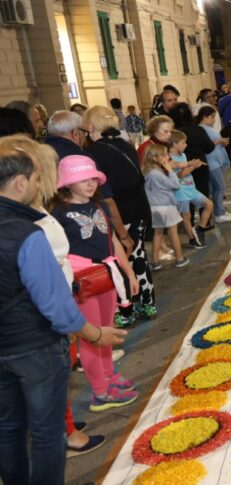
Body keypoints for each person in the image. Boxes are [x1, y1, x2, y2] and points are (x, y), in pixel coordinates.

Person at [0, 147, 127, 485]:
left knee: (10, 427)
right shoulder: (26, 232)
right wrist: (95, 334)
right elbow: (53, 301)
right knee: (47, 430)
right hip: (33, 343)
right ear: (18, 183)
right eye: (37, 177)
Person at [51, 155, 140, 411]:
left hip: (107, 275)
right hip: (83, 282)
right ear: (67, 183)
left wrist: (129, 273)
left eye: (92, 178)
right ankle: (100, 392)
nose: (90, 183)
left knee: (106, 329)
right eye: (82, 179)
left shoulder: (98, 205)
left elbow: (113, 243)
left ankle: (108, 376)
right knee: (92, 336)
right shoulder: (59, 213)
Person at [83, 106, 157, 325]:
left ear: (89, 127)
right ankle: (147, 302)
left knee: (119, 261)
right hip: (140, 208)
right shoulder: (125, 145)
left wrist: (122, 233)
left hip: (119, 212)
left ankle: (126, 310)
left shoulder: (93, 154)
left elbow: (107, 197)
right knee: (139, 255)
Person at [142, 144, 189, 268]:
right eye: (163, 155)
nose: (167, 157)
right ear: (155, 158)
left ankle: (155, 262)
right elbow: (175, 185)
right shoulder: (157, 174)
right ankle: (179, 259)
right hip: (166, 206)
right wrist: (171, 171)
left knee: (158, 233)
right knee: (173, 233)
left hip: (154, 207)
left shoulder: (147, 172)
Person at [169, 130, 212, 249]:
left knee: (208, 204)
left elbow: (186, 169)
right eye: (183, 143)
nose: (186, 145)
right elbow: (180, 175)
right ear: (174, 144)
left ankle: (200, 229)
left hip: (190, 187)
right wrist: (193, 166)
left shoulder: (183, 155)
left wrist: (192, 164)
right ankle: (192, 239)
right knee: (186, 216)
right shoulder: (170, 158)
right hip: (180, 191)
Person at [195, 106, 231, 222]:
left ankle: (219, 210)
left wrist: (222, 142)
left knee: (217, 187)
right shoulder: (202, 129)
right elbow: (207, 145)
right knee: (219, 187)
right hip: (212, 163)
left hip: (217, 161)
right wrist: (220, 141)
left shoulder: (208, 128)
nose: (214, 121)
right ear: (205, 117)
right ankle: (219, 214)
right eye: (212, 118)